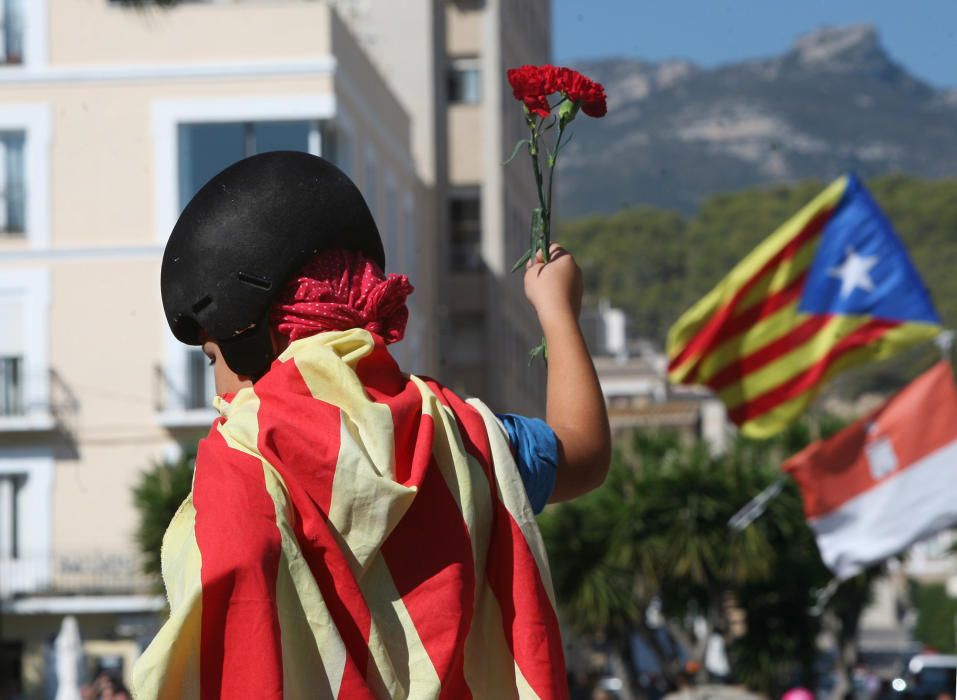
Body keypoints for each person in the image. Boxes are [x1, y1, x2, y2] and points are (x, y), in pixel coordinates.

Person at [132, 151, 610, 699]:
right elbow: (585, 454)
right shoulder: (464, 437)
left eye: (212, 357)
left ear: (257, 336)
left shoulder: (243, 457)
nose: (217, 386)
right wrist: (557, 311)